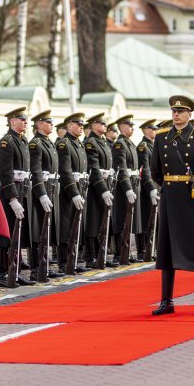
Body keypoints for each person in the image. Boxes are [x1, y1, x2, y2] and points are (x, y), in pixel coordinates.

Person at [150, 96, 194, 316]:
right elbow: (155, 171)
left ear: (189, 114)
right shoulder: (162, 137)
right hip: (171, 199)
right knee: (167, 251)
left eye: (180, 111)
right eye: (174, 111)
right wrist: (171, 187)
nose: (176, 115)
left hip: (193, 199)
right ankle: (166, 301)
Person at [0, 106, 35, 287]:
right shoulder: (7, 142)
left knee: (18, 233)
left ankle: (16, 270)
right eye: (21, 119)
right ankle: (5, 273)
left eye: (25, 119)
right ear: (12, 121)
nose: (25, 122)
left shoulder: (22, 141)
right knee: (8, 234)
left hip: (23, 191)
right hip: (10, 194)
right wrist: (12, 198)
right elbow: (5, 173)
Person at [28, 110, 63, 280]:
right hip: (41, 190)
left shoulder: (48, 143)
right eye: (48, 122)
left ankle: (46, 265)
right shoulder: (36, 144)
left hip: (52, 189)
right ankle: (37, 268)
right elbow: (35, 171)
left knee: (47, 229)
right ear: (39, 124)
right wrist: (41, 194)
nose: (51, 125)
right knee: (39, 231)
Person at [56, 112, 89, 273]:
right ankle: (64, 261)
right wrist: (74, 192)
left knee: (76, 225)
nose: (81, 126)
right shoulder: (64, 144)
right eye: (78, 124)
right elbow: (66, 171)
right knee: (67, 225)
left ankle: (73, 259)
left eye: (82, 124)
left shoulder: (79, 143)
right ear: (69, 126)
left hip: (80, 187)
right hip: (68, 191)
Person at [84, 113, 115, 268]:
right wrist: (103, 189)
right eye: (102, 124)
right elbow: (94, 169)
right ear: (94, 125)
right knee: (93, 221)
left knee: (103, 221)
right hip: (94, 187)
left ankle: (100, 254)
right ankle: (91, 256)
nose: (105, 126)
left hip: (106, 183)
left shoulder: (102, 142)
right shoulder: (91, 143)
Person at [111, 114, 140, 263]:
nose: (132, 128)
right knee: (122, 219)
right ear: (122, 127)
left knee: (129, 220)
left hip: (133, 184)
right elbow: (121, 169)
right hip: (123, 188)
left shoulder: (130, 144)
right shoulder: (119, 144)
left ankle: (126, 252)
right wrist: (128, 189)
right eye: (129, 126)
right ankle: (120, 253)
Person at [137, 119, 159, 261]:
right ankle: (143, 250)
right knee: (146, 219)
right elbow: (144, 170)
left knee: (155, 219)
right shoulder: (143, 146)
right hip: (146, 188)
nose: (155, 131)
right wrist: (151, 188)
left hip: (156, 186)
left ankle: (154, 249)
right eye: (152, 129)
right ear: (145, 130)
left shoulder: (153, 146)